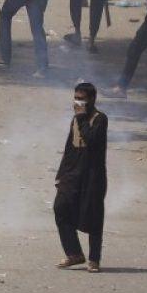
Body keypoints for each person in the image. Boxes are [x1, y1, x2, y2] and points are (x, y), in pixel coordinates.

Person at [54, 82, 108, 273]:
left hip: (92, 174)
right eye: (76, 97)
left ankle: (94, 259)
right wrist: (60, 174)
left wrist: (82, 117)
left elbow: (91, 140)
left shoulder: (100, 119)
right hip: (72, 172)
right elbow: (70, 147)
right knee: (60, 208)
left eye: (82, 98)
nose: (78, 102)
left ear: (92, 99)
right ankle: (74, 253)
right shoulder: (75, 119)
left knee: (93, 215)